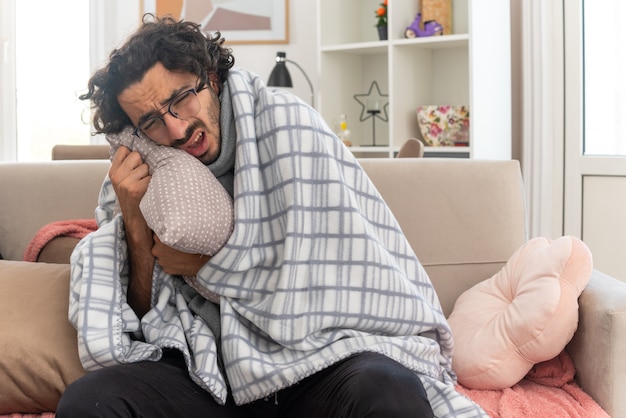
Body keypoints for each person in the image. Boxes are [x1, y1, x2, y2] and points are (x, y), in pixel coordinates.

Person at [57, 14, 487, 418]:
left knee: (387, 388)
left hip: (315, 364)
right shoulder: (141, 175)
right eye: (150, 121)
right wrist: (134, 221)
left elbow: (328, 284)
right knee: (90, 402)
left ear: (210, 77)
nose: (175, 130)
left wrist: (208, 270)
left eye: (181, 99)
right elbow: (142, 316)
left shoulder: (287, 125)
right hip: (208, 372)